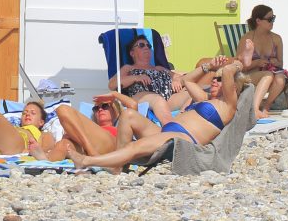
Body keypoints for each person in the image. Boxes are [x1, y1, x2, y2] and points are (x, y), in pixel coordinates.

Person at [67, 61, 246, 173]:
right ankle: (116, 165)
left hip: (182, 139)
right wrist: (208, 66)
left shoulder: (228, 106)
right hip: (165, 131)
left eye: (219, 79)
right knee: (129, 115)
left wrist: (234, 64)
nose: (214, 80)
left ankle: (86, 161)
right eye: (214, 78)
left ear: (233, 87)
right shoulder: (204, 98)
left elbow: (230, 71)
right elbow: (187, 80)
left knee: (137, 146)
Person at [235, 5, 288, 118]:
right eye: (270, 19)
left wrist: (273, 62)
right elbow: (239, 65)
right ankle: (255, 109)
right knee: (269, 75)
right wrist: (257, 62)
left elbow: (281, 63)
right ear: (258, 21)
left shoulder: (276, 39)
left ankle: (266, 106)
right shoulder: (247, 39)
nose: (273, 22)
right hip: (249, 74)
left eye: (273, 18)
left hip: (270, 74)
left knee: (280, 79)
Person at [112, 37, 184, 123]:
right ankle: (170, 129)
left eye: (148, 46)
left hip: (167, 99)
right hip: (142, 97)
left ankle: (181, 120)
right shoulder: (128, 68)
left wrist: (176, 80)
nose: (146, 47)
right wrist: (136, 78)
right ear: (132, 53)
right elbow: (112, 84)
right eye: (141, 45)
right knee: (158, 99)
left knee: (190, 93)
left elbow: (178, 76)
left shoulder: (159, 68)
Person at [47, 97, 121, 160]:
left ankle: (91, 151)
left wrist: (115, 96)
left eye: (105, 106)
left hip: (109, 146)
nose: (100, 109)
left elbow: (131, 110)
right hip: (87, 146)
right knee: (63, 145)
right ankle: (45, 167)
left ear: (116, 110)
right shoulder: (89, 128)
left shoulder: (121, 127)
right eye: (96, 108)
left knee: (63, 109)